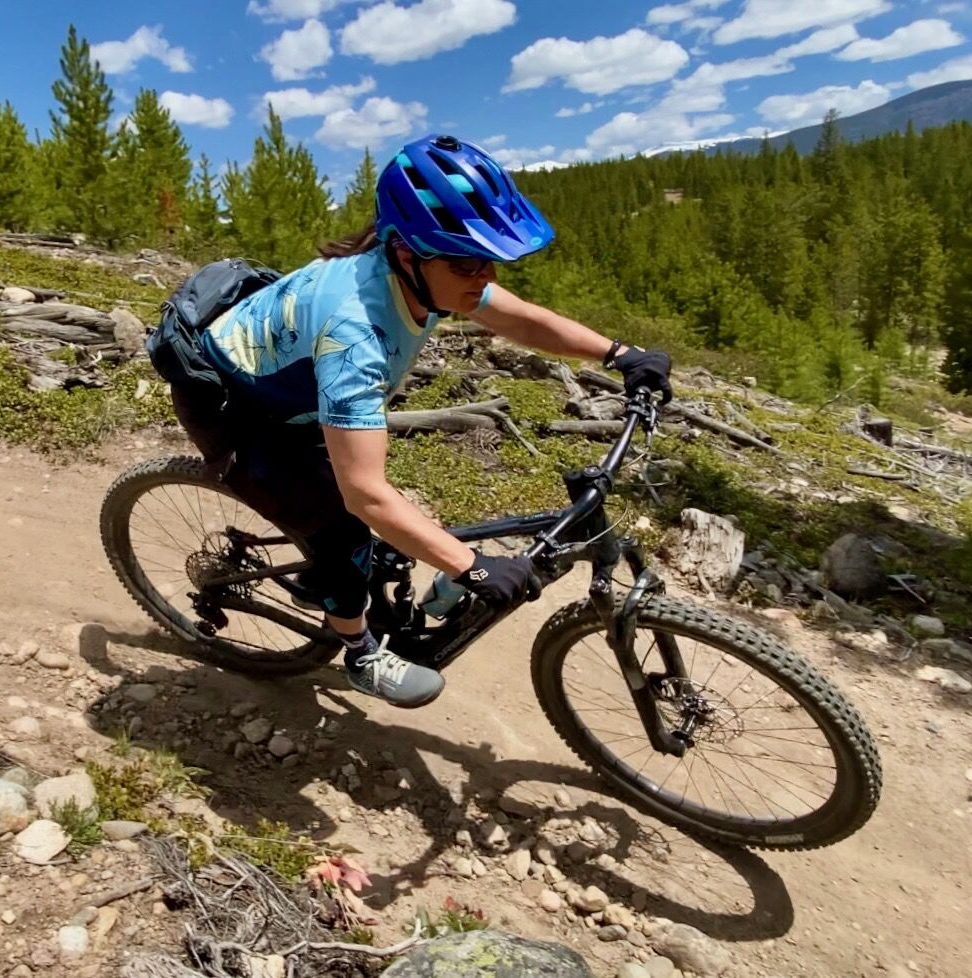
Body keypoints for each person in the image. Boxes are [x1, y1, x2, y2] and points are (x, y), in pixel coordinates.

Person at [172, 134, 672, 708]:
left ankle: (336, 580)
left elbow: (523, 321)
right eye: (467, 261)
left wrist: (619, 354)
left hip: (294, 390)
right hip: (238, 407)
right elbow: (365, 495)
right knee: (343, 528)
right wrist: (472, 568)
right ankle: (359, 652)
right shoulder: (356, 332)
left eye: (489, 259)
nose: (482, 275)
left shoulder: (434, 274)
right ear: (406, 252)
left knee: (384, 520)